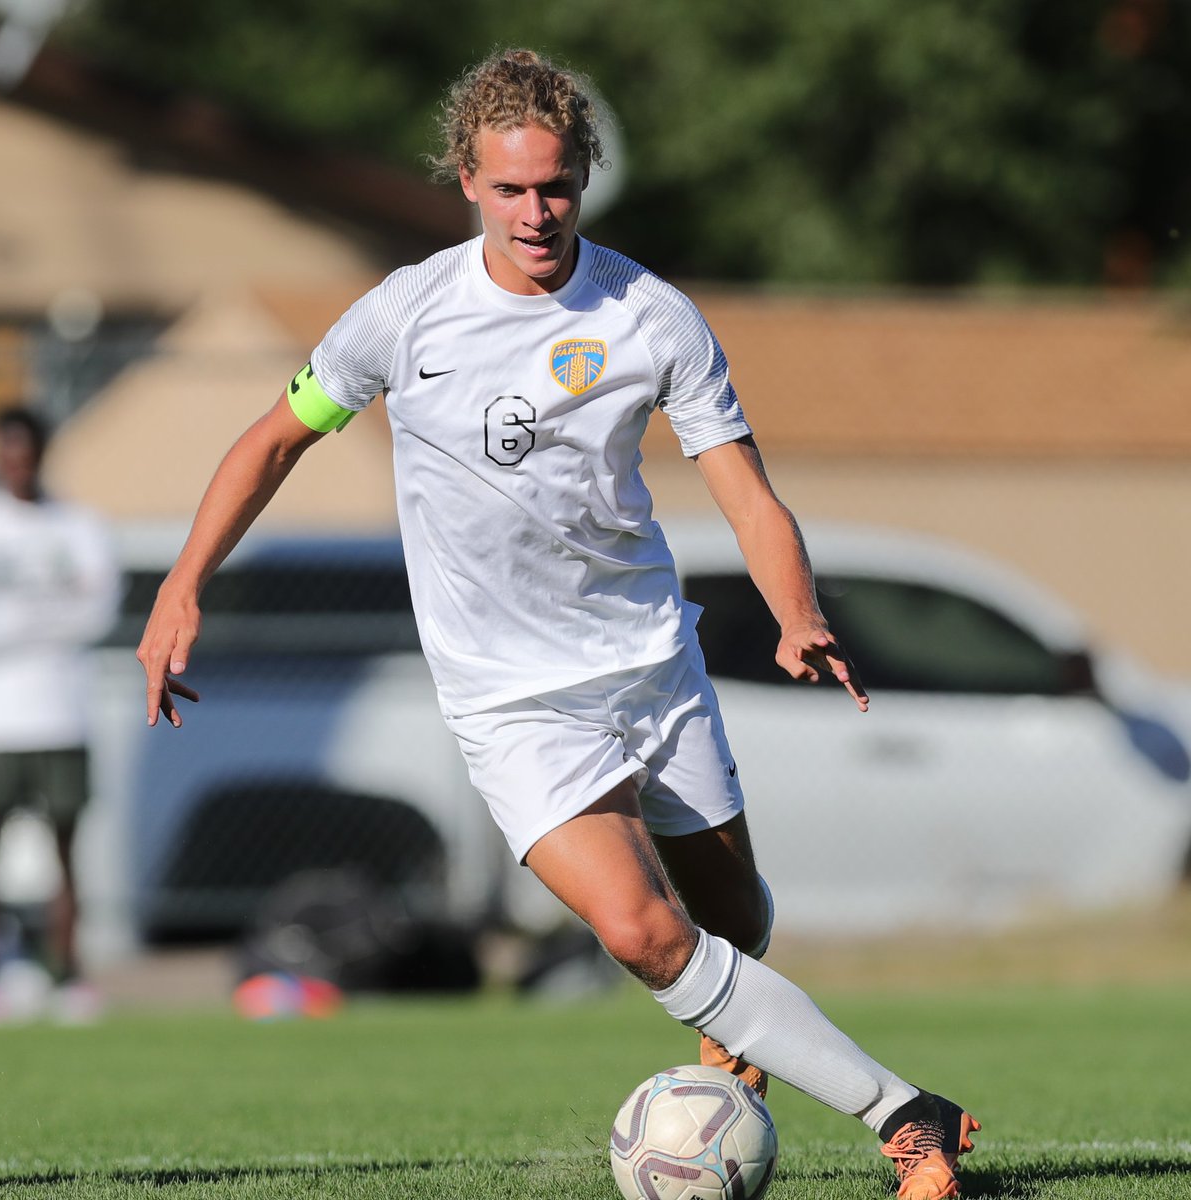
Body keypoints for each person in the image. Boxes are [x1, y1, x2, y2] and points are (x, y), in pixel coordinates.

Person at [137, 50, 980, 1198]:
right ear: (468, 183)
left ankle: (737, 1039)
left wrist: (796, 611)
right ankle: (906, 1119)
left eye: (557, 188)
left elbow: (744, 488)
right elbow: (273, 440)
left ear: (584, 177)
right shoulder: (405, 313)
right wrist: (184, 584)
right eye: (511, 189)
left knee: (731, 914)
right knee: (643, 932)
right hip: (510, 696)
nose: (536, 214)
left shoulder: (650, 314)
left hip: (650, 663)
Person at [0, 406, 120, 1020]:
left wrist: (21, 623)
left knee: (65, 854)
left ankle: (66, 971)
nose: (17, 466)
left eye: (27, 454)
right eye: (7, 454)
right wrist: (44, 619)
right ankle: (2, 970)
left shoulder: (80, 526)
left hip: (61, 714)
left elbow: (94, 613)